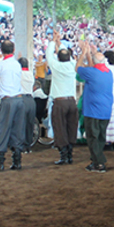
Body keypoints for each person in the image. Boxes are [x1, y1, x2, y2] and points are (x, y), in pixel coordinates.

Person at [0, 40, 26, 171]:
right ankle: (17, 160)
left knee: (3, 128)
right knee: (17, 130)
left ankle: (0, 162)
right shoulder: (17, 64)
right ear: (13, 50)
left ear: (1, 51)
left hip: (7, 100)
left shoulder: (0, 65)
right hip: (19, 100)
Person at [76, 42, 113, 172]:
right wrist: (89, 53)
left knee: (92, 138)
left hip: (92, 110)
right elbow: (94, 67)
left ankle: (99, 163)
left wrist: (83, 53)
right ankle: (95, 161)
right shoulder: (108, 72)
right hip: (106, 110)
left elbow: (78, 68)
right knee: (100, 137)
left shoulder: (91, 73)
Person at [47, 33, 78, 165]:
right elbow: (68, 57)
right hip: (72, 101)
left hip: (59, 101)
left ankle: (64, 155)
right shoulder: (73, 65)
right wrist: (59, 43)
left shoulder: (56, 66)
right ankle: (70, 153)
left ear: (58, 58)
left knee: (59, 127)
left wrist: (54, 41)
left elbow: (48, 54)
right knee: (71, 127)